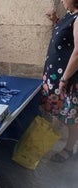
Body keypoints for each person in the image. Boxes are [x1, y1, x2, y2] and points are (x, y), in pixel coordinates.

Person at [41, 0, 78, 163]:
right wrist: (56, 20)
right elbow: (66, 38)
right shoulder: (70, 15)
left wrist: (65, 78)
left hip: (66, 78)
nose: (62, 0)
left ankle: (69, 149)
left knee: (71, 117)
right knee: (64, 113)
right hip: (56, 76)